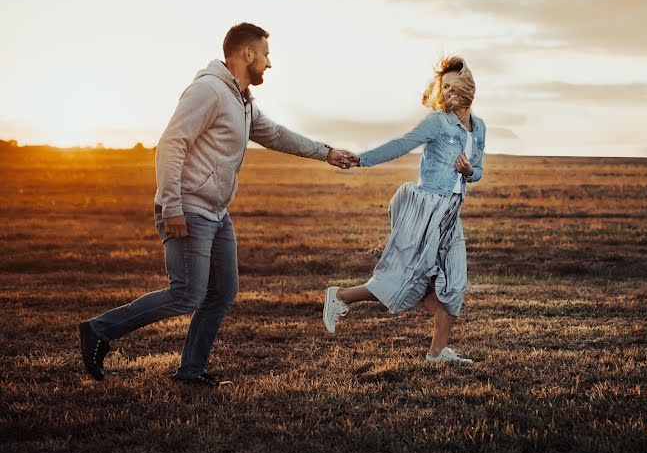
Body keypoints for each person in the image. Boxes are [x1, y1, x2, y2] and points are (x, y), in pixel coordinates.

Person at [78, 22, 357, 387]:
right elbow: (171, 144)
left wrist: (326, 153)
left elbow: (275, 135)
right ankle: (99, 330)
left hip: (215, 212)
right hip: (188, 208)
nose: (269, 64)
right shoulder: (208, 91)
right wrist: (172, 205)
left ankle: (191, 371)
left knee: (222, 292)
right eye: (266, 55)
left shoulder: (241, 100)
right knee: (186, 293)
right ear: (247, 53)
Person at [323, 56, 486, 364]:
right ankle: (340, 296)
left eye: (454, 84)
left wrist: (468, 171)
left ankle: (437, 354)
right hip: (424, 208)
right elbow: (402, 144)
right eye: (444, 86)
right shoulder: (437, 121)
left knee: (455, 283)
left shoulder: (478, 128)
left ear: (468, 87)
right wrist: (362, 159)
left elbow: (478, 171)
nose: (448, 91)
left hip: (451, 214)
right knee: (402, 276)